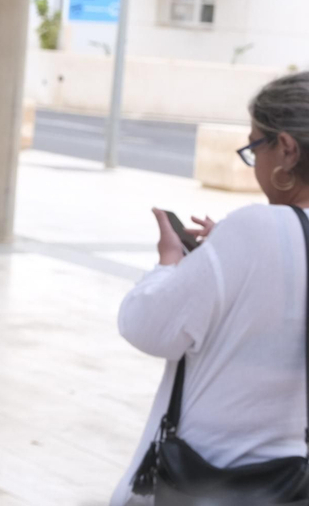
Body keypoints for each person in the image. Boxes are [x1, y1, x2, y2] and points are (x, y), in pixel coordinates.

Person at [112, 72, 309, 505]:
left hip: (211, 477)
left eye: (254, 147)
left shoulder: (256, 227)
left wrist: (170, 264)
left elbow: (148, 327)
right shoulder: (265, 235)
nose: (254, 162)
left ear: (287, 150)